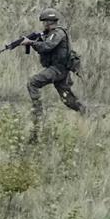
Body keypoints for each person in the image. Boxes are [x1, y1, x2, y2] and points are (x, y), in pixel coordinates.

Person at [23, 8, 85, 142]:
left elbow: (47, 46)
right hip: (59, 70)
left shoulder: (58, 33)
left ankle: (37, 112)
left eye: (45, 22)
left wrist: (31, 43)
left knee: (32, 83)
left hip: (58, 69)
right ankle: (84, 112)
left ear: (48, 22)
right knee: (67, 99)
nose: (44, 24)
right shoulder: (50, 34)